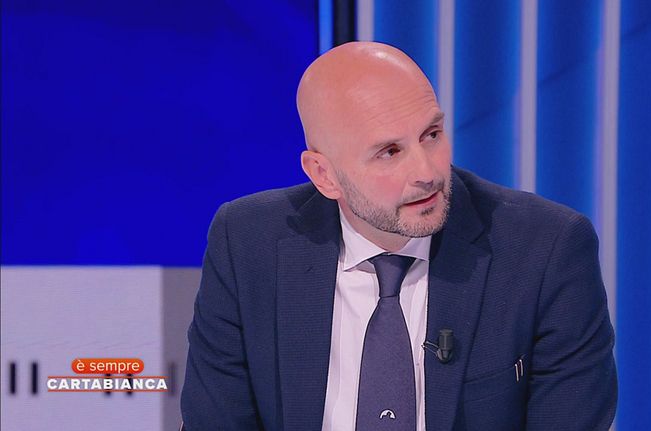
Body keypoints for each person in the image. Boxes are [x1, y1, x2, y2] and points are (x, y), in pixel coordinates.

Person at [180, 41, 617, 431]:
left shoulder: (546, 251)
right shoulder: (247, 243)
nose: (427, 172)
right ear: (324, 175)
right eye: (389, 152)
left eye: (432, 135)